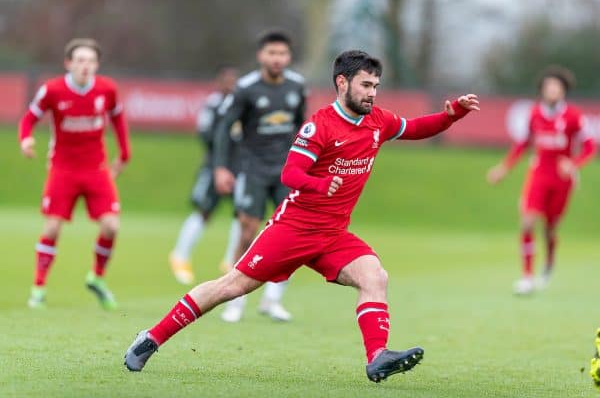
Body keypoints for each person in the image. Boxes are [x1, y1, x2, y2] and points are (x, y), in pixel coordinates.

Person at [124, 50, 479, 382]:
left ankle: (378, 356)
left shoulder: (378, 121)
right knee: (230, 287)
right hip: (293, 228)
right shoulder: (320, 125)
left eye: (376, 86)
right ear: (342, 83)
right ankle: (152, 338)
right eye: (366, 85)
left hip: (333, 234)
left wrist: (453, 114)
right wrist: (321, 184)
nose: (372, 93)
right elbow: (290, 174)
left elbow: (416, 129)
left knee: (375, 276)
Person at [18, 38, 130, 309]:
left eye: (90, 61)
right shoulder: (52, 90)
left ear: (97, 64)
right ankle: (38, 288)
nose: (85, 66)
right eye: (80, 60)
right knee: (53, 227)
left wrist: (124, 153)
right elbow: (29, 118)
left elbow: (117, 119)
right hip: (62, 169)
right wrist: (26, 139)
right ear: (68, 63)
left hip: (96, 169)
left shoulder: (106, 89)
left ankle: (98, 278)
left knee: (112, 225)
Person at [212, 30, 306, 322]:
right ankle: (235, 299)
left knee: (291, 236)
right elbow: (224, 128)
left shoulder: (297, 86)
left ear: (288, 57)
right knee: (248, 231)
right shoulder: (246, 88)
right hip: (252, 168)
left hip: (287, 171)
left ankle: (272, 299)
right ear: (261, 56)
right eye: (271, 53)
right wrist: (221, 167)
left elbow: (304, 128)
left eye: (282, 54)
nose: (277, 59)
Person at [486, 66, 595, 295]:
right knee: (527, 221)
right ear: (542, 91)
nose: (552, 90)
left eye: (556, 87)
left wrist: (573, 164)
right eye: (548, 87)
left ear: (564, 91)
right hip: (539, 174)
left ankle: (549, 262)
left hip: (562, 180)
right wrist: (503, 168)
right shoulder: (535, 113)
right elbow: (522, 144)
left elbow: (589, 147)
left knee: (550, 228)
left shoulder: (574, 116)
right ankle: (527, 277)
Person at [169, 65, 241, 285]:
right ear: (219, 82)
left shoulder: (242, 105)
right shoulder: (214, 104)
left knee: (243, 214)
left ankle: (231, 260)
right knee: (204, 210)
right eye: (227, 81)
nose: (230, 85)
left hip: (240, 167)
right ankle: (180, 255)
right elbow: (205, 133)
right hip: (214, 167)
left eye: (234, 81)